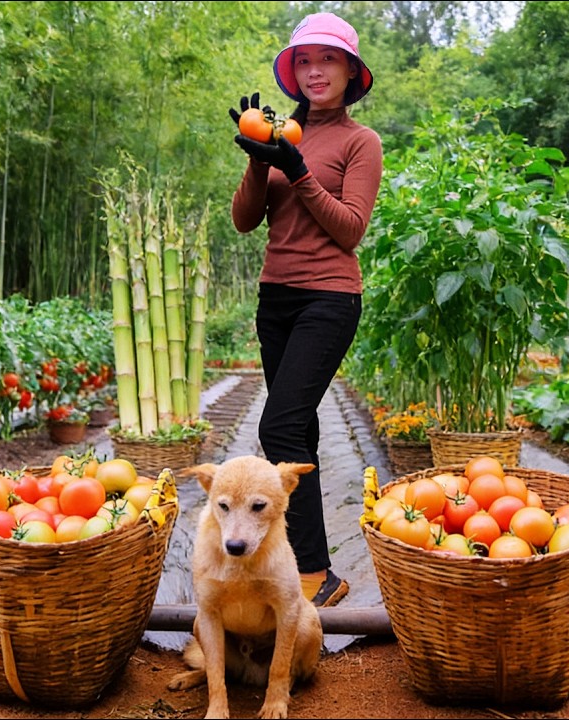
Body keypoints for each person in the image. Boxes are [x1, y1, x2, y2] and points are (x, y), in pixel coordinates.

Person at [227, 12, 382, 607]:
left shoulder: (358, 141)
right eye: (305, 61)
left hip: (330, 297)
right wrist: (260, 160)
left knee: (280, 426)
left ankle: (313, 574)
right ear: (294, 72)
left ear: (350, 72)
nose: (315, 70)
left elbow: (350, 230)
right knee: (302, 430)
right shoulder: (278, 132)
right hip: (277, 298)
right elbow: (245, 221)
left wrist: (301, 173)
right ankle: (314, 570)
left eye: (328, 59)